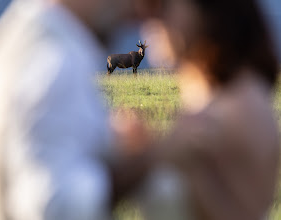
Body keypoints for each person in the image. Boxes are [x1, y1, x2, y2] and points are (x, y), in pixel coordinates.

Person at [0, 0, 158, 220]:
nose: (134, 12)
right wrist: (146, 162)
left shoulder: (22, 38)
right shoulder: (56, 59)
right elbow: (55, 205)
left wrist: (110, 143)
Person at [112, 0, 280, 219]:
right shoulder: (202, 93)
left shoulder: (237, 109)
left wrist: (158, 158)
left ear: (209, 12)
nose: (149, 22)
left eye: (161, 7)